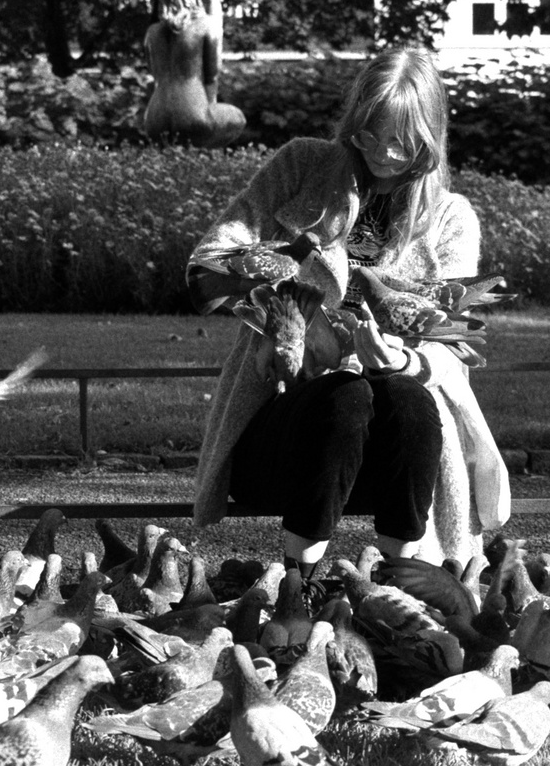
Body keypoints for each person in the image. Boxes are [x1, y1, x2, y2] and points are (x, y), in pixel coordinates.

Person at [186, 47, 509, 578]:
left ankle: (405, 583)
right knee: (346, 394)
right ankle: (301, 582)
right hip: (290, 426)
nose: (382, 154)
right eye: (367, 136)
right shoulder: (301, 166)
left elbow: (455, 347)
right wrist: (284, 282)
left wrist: (404, 361)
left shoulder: (451, 219)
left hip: (397, 450)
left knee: (403, 393)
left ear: (430, 138)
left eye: (401, 144)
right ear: (350, 126)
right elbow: (207, 265)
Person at [141, 0, 246, 148]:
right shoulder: (207, 26)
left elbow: (153, 72)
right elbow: (212, 75)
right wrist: (208, 106)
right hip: (193, 113)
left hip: (154, 118)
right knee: (237, 118)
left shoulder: (151, 33)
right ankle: (202, 161)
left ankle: (178, 160)